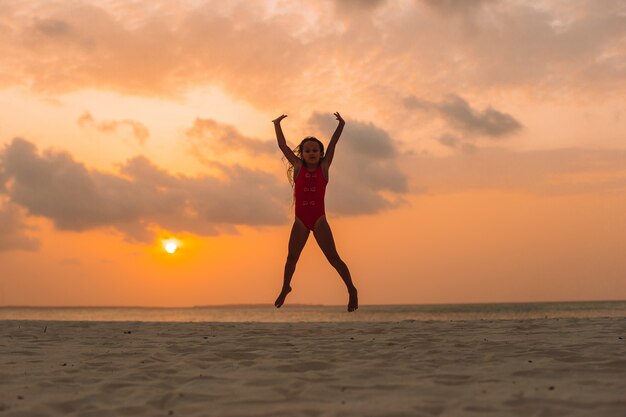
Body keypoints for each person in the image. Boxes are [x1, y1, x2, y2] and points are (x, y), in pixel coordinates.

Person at [272, 112, 358, 312]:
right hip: (300, 221)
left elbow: (333, 144)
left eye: (315, 150)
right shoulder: (298, 166)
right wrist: (277, 124)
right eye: (308, 150)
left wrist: (341, 126)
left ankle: (352, 290)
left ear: (321, 153)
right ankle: (286, 286)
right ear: (302, 154)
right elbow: (283, 146)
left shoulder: (324, 167)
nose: (312, 153)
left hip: (319, 220)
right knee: (291, 258)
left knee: (333, 258)